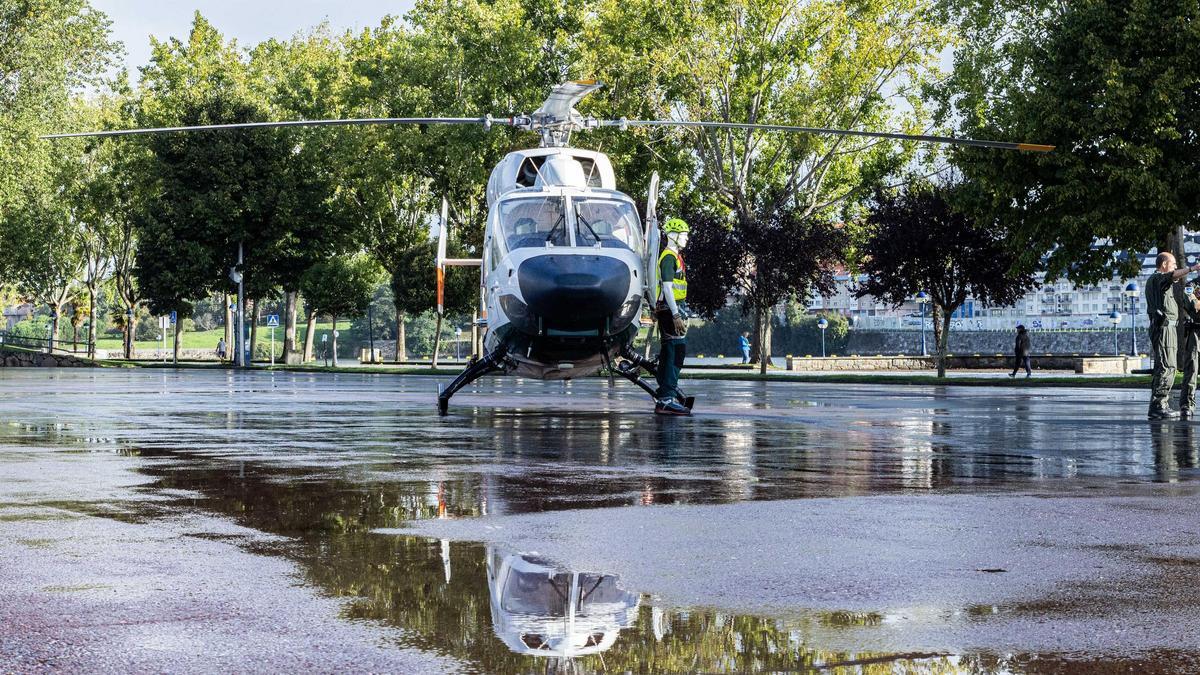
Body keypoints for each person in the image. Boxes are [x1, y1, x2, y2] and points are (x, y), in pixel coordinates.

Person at [1145, 252, 1200, 420]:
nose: (1176, 267)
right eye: (1173, 263)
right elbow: (1193, 304)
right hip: (1164, 328)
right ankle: (1159, 405)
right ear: (1163, 265)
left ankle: (1160, 404)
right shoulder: (1157, 278)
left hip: (1168, 329)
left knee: (1168, 366)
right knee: (1167, 366)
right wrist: (1192, 268)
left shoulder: (1160, 282)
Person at [654, 217, 691, 416]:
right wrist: (676, 314)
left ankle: (665, 391)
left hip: (671, 307)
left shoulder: (674, 257)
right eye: (684, 235)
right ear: (673, 235)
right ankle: (666, 397)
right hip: (671, 309)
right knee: (676, 351)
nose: (686, 238)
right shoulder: (668, 257)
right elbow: (667, 286)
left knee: (671, 350)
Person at [1178, 284, 1200, 417]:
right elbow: (1193, 306)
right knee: (1191, 370)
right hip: (1196, 334)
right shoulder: (1192, 285)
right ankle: (1187, 404)